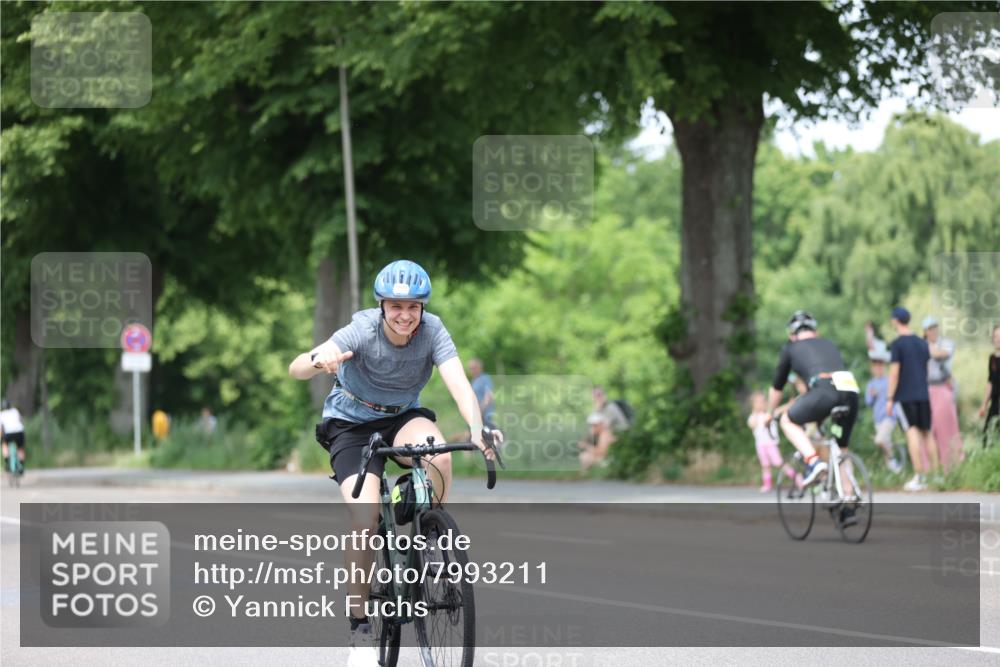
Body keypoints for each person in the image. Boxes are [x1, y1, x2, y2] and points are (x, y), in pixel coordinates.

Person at [288, 259, 499, 667]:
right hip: (351, 423)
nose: (405, 315)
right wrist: (321, 359)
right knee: (365, 519)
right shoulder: (361, 330)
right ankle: (360, 629)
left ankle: (427, 532)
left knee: (437, 452)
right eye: (396, 306)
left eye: (413, 307)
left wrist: (477, 429)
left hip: (402, 416)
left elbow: (457, 381)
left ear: (422, 308)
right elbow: (296, 367)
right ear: (382, 306)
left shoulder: (433, 331)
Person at [766, 310, 860, 527]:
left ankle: (813, 461)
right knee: (841, 448)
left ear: (792, 335)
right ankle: (848, 501)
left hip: (823, 390)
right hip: (849, 389)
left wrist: (771, 413)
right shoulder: (828, 344)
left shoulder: (790, 348)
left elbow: (777, 388)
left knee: (787, 421)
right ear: (815, 332)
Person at [886, 307, 938, 491]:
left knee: (912, 434)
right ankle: (936, 476)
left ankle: (920, 476)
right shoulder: (922, 343)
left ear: (895, 321)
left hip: (905, 396)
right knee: (927, 434)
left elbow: (894, 373)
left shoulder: (897, 344)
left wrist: (890, 398)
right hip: (923, 394)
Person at [923, 316, 963, 470]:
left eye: (934, 328)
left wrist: (926, 346)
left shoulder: (946, 344)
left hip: (943, 386)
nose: (932, 332)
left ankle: (951, 467)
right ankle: (929, 469)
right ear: (925, 332)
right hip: (927, 389)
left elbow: (939, 354)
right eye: (929, 329)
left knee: (947, 428)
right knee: (927, 429)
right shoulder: (924, 345)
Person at [865, 345, 903, 474]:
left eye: (880, 366)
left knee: (880, 440)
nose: (878, 368)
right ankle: (893, 470)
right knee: (885, 443)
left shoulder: (889, 381)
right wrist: (872, 395)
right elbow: (868, 402)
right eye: (876, 366)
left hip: (889, 416)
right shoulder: (871, 384)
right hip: (878, 419)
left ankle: (893, 460)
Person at [578, 385, 629, 471]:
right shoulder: (598, 410)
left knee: (588, 455)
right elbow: (593, 427)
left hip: (619, 436)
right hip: (606, 438)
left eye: (599, 395)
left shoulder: (610, 408)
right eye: (595, 396)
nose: (597, 398)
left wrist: (586, 444)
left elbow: (602, 426)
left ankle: (603, 461)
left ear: (604, 395)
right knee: (584, 456)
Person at [747, 391, 784, 492]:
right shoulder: (753, 417)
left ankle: (795, 477)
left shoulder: (769, 414)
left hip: (771, 444)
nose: (760, 404)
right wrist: (755, 412)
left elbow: (781, 410)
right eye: (757, 402)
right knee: (765, 465)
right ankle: (767, 484)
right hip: (760, 445)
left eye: (762, 401)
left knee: (779, 463)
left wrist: (791, 403)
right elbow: (752, 425)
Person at [978, 324, 1000, 447]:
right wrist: (984, 405)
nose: (998, 339)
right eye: (996, 336)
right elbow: (990, 382)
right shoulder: (992, 358)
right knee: (987, 434)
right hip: (995, 402)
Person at [467, 358, 496, 429]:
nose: (472, 370)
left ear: (479, 367)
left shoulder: (485, 378)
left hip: (485, 415)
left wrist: (480, 410)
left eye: (474, 368)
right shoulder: (474, 381)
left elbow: (489, 396)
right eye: (470, 368)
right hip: (476, 415)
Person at [0, 399, 26, 475]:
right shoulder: (15, 411)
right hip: (19, 431)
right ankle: (21, 466)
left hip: (8, 433)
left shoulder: (1, 414)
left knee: (4, 445)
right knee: (20, 448)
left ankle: (7, 462)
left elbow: (1, 429)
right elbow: (21, 421)